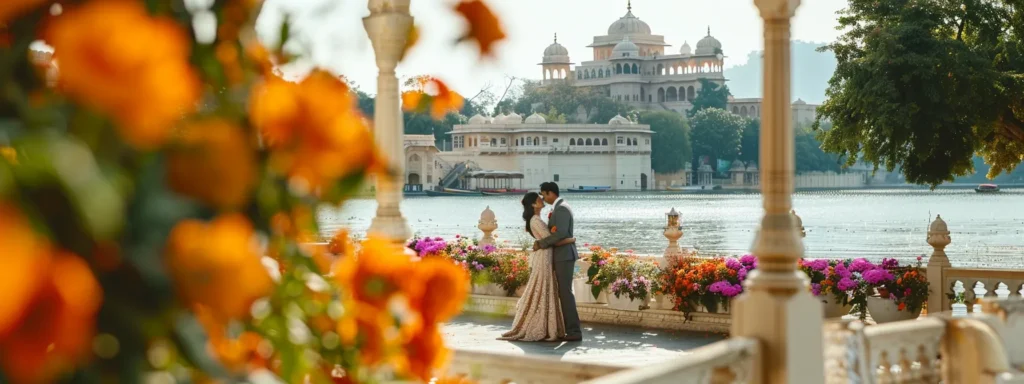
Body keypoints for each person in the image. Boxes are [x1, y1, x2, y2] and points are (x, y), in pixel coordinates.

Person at [498, 192, 576, 341]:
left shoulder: (536, 220)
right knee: (541, 288)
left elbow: (549, 239)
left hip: (546, 256)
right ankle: (540, 325)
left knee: (543, 289)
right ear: (534, 204)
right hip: (544, 257)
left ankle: (547, 325)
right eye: (539, 199)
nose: (542, 200)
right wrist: (571, 239)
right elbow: (552, 240)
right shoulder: (535, 221)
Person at [533, 182, 583, 341]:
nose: (542, 198)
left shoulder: (561, 208)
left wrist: (542, 243)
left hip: (564, 255)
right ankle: (565, 329)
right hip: (561, 255)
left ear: (550, 193)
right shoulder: (559, 207)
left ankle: (574, 331)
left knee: (566, 293)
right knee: (563, 293)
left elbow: (561, 233)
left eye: (543, 194)